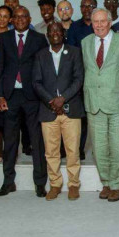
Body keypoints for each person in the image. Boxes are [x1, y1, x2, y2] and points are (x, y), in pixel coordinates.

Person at [0, 7, 49, 197]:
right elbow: (0, 68)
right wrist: (0, 95)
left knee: (36, 140)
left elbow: (44, 69)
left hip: (32, 96)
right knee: (9, 142)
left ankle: (40, 183)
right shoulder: (4, 38)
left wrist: (44, 95)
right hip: (10, 96)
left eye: (23, 16)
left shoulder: (39, 39)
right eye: (16, 17)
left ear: (29, 19)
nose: (19, 20)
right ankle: (8, 182)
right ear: (11, 20)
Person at [81, 8, 119, 202]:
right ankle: (107, 183)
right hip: (94, 102)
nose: (99, 25)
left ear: (110, 22)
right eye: (96, 21)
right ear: (91, 23)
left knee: (118, 148)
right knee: (99, 148)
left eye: (103, 21)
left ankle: (117, 185)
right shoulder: (85, 43)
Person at [33, 22, 85, 201]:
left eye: (58, 30)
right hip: (48, 111)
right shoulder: (40, 55)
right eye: (51, 31)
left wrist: (62, 98)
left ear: (64, 34)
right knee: (51, 151)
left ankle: (73, 185)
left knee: (72, 150)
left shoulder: (75, 52)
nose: (55, 33)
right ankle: (55, 184)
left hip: (71, 109)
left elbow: (79, 79)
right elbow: (36, 82)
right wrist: (52, 102)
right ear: (47, 35)